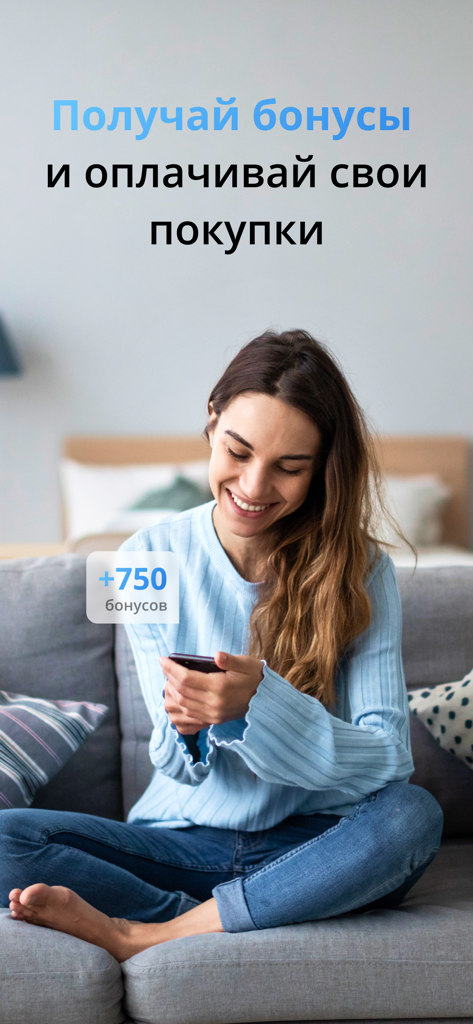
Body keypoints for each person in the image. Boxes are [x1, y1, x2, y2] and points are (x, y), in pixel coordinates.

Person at [2, 329, 443, 963]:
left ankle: (150, 934)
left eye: (290, 467)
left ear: (322, 469)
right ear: (212, 422)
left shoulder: (363, 569)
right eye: (238, 451)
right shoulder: (140, 560)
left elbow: (385, 762)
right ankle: (220, 917)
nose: (255, 487)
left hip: (317, 846)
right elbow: (175, 765)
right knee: (7, 839)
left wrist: (256, 703)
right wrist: (189, 728)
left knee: (411, 816)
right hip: (184, 845)